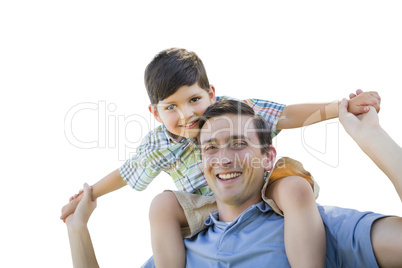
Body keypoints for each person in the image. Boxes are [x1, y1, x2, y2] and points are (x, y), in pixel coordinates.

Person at [61, 48, 381, 268]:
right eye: (171, 107)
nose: (186, 114)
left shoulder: (235, 112)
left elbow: (285, 115)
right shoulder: (158, 144)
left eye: (194, 99)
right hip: (207, 205)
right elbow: (127, 172)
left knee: (294, 187)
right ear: (155, 113)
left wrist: (339, 108)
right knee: (161, 205)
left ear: (211, 94)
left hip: (259, 183)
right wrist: (89, 195)